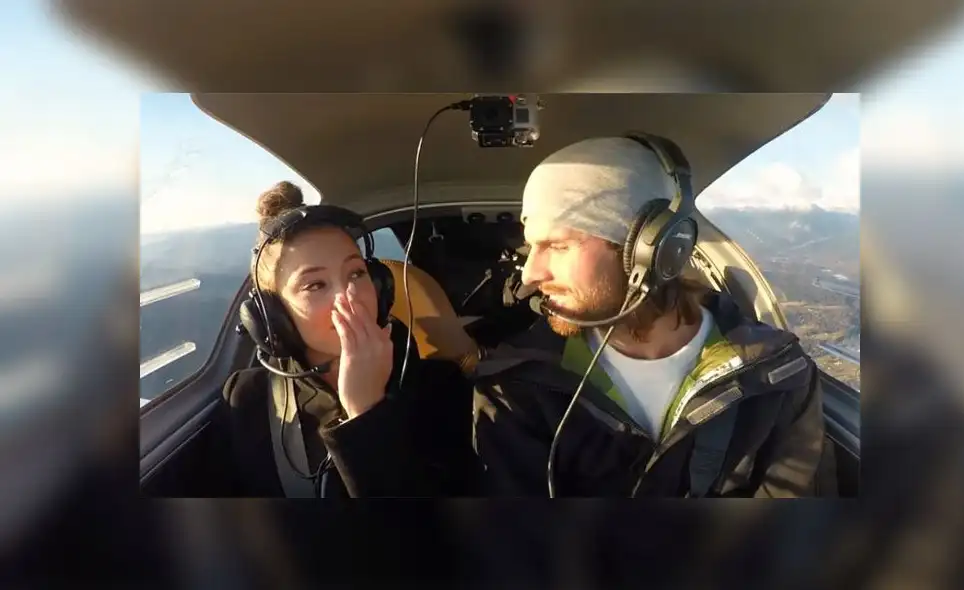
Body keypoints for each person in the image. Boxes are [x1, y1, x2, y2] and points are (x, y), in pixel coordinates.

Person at [472, 136, 835, 497]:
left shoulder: (779, 377)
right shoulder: (513, 389)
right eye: (530, 246)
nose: (529, 275)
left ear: (652, 251)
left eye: (558, 246)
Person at [219, 181, 480, 498]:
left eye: (356, 273)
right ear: (274, 316)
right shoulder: (249, 399)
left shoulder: (442, 386)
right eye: (315, 285)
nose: (350, 296)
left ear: (381, 286)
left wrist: (368, 413)